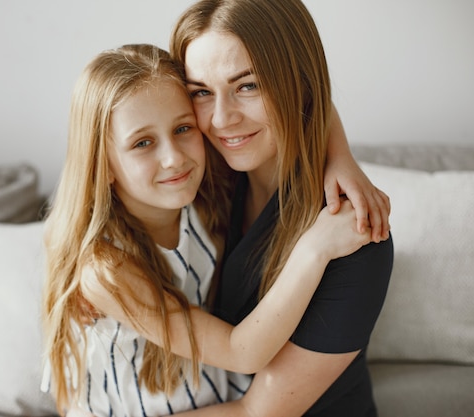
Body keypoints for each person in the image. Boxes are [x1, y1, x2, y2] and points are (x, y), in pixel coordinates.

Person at [41, 43, 372, 417]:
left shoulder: (204, 194)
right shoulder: (106, 270)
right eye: (142, 143)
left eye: (183, 128)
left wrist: (342, 158)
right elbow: (241, 352)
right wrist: (315, 250)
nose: (173, 157)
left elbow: (302, 103)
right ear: (104, 165)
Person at [166, 0, 394, 416]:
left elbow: (259, 413)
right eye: (201, 92)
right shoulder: (202, 175)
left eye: (247, 86)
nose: (221, 119)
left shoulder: (354, 235)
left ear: (299, 82)